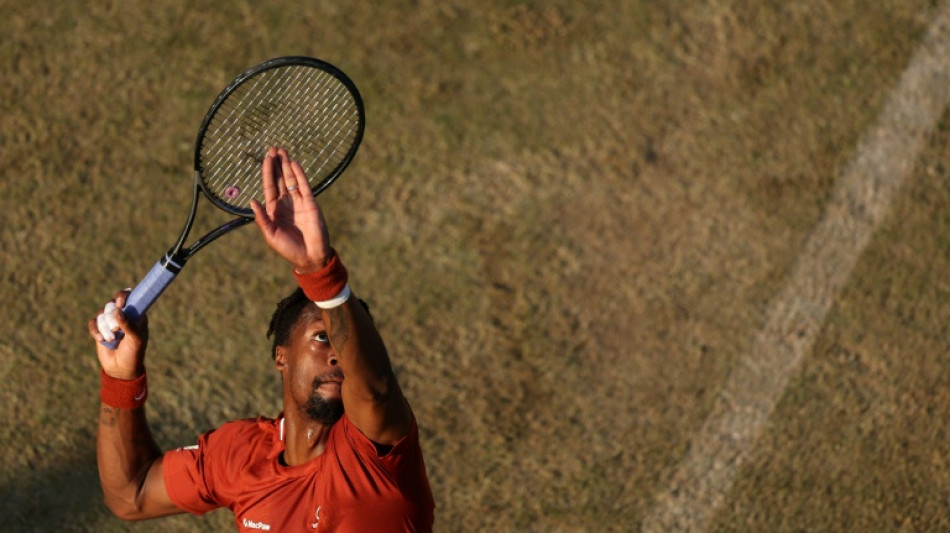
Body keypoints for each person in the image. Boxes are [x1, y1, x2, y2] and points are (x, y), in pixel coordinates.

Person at [88, 147, 434, 531]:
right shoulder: (240, 457)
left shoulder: (378, 454)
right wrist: (120, 381)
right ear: (281, 356)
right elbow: (130, 495)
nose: (338, 356)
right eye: (322, 338)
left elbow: (376, 389)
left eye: (344, 347)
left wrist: (319, 272)